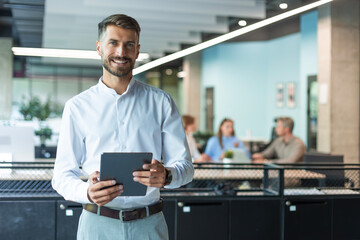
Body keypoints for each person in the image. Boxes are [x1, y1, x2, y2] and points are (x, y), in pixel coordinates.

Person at [52, 14, 194, 240]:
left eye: (129, 45)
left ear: (137, 50)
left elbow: (186, 166)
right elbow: (61, 176)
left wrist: (167, 175)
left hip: (149, 225)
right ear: (99, 47)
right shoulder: (77, 107)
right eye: (113, 43)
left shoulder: (161, 102)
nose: (121, 52)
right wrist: (86, 192)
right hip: (96, 225)